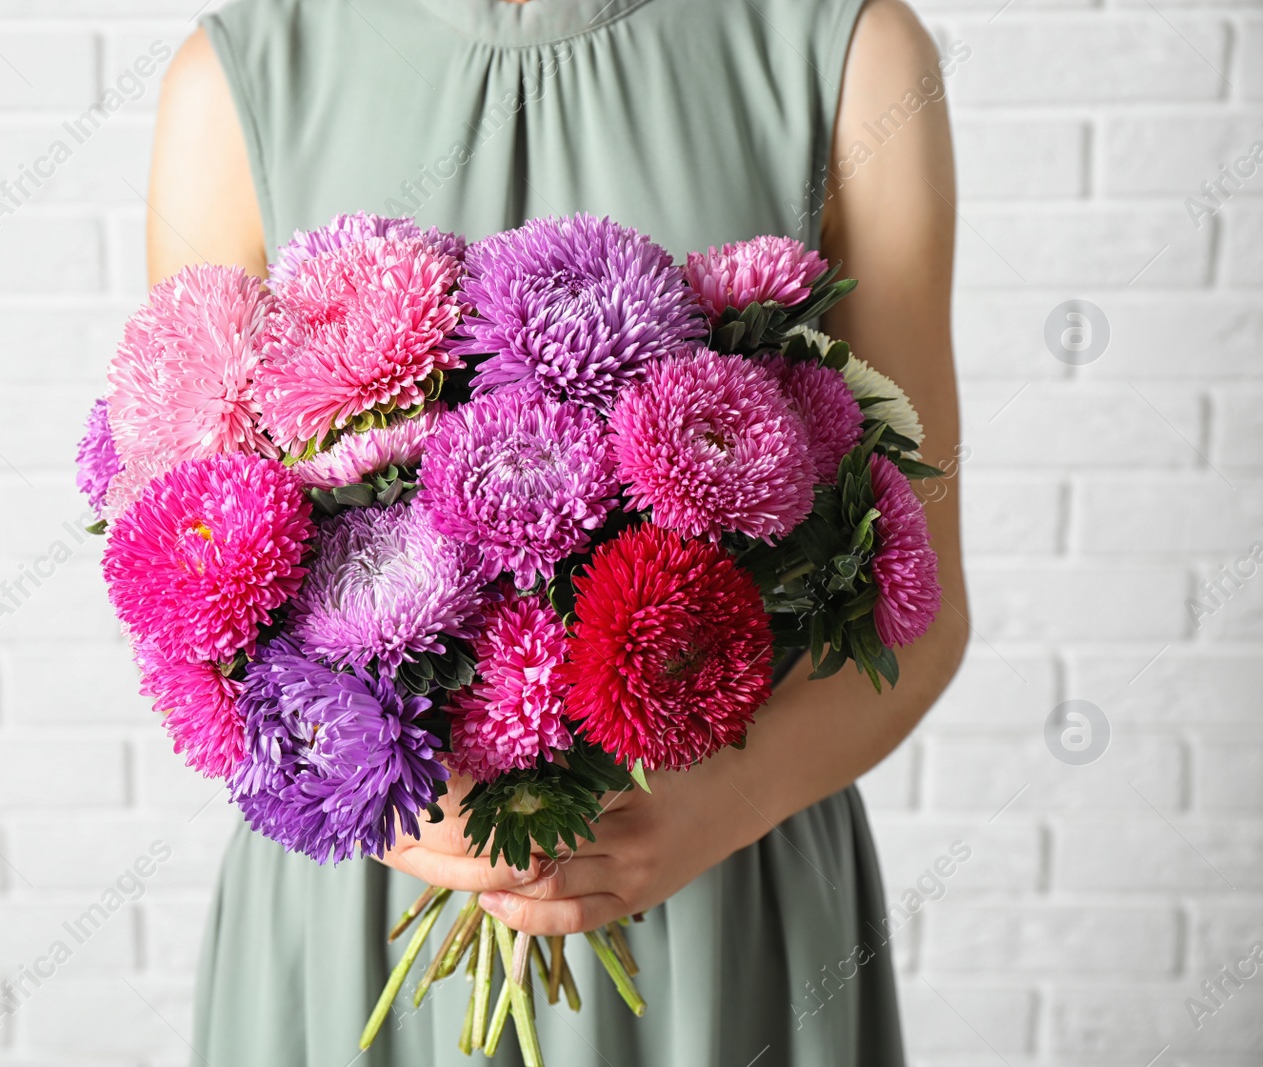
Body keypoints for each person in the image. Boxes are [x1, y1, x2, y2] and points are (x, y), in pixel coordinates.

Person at [147, 0, 968, 1061]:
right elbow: (185, 579)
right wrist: (386, 793)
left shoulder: (850, 56)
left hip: (719, 874)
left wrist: (715, 803)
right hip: (369, 890)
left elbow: (916, 602)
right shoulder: (236, 78)